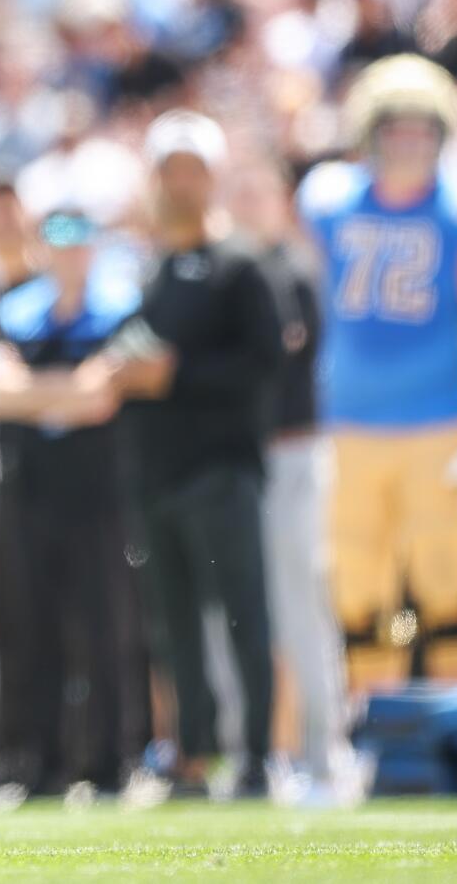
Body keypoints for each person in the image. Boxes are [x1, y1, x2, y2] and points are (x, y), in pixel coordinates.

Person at [297, 56, 457, 690]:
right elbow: (304, 316)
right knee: (363, 596)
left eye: (422, 127)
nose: (409, 140)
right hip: (348, 425)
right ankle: (373, 727)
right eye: (395, 126)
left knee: (448, 593)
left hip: (438, 422)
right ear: (369, 130)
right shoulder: (329, 200)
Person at [86, 111, 282, 800]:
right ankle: (192, 752)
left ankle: (259, 753)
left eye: (191, 168)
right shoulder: (147, 273)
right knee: (173, 627)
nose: (179, 183)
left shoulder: (240, 266)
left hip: (222, 467)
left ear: (212, 177)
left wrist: (176, 374)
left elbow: (264, 363)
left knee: (242, 615)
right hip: (155, 472)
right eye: (168, 169)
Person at [0, 209, 149, 800]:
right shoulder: (14, 310)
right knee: (28, 627)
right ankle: (36, 762)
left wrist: (39, 394)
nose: (69, 256)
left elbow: (99, 396)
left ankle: (108, 763)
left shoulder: (122, 307)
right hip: (29, 490)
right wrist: (63, 394)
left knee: (106, 627)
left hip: (100, 492)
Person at [227, 158, 357, 804]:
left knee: (301, 601)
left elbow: (282, 360)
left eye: (257, 191)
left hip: (293, 453)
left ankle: (324, 750)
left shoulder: (292, 267)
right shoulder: (231, 269)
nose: (247, 205)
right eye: (239, 192)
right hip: (243, 463)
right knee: (248, 610)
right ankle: (261, 751)